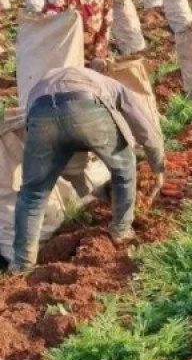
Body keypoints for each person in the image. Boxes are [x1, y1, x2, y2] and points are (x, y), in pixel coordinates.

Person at [11, 66, 165, 273]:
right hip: (86, 107)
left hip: (41, 114)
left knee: (33, 193)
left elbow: (37, 127)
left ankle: (21, 265)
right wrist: (158, 166)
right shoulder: (113, 86)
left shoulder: (42, 83)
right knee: (123, 168)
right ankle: (121, 230)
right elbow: (144, 128)